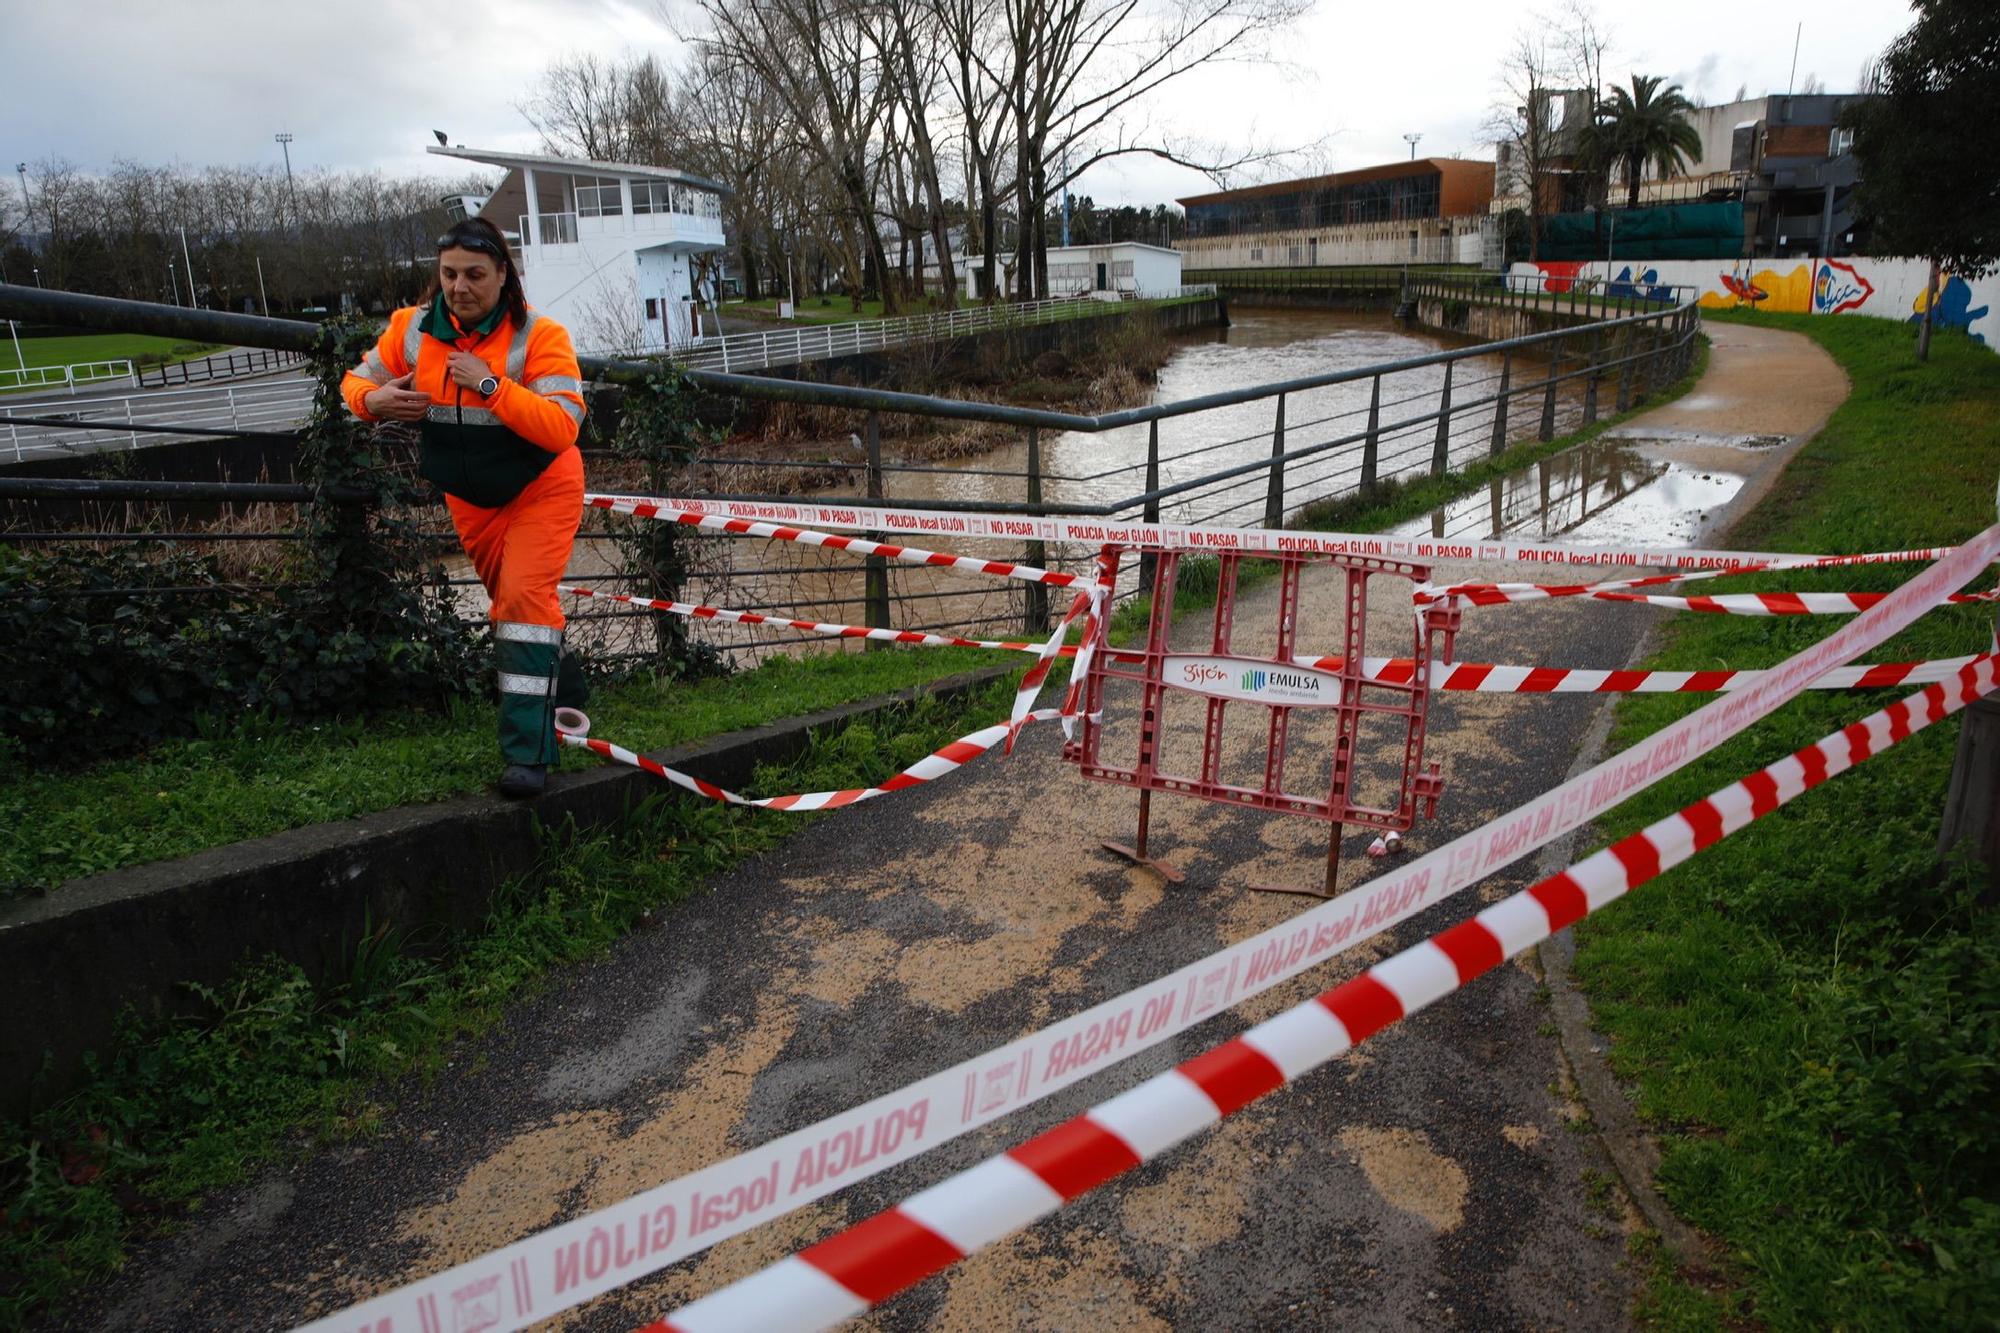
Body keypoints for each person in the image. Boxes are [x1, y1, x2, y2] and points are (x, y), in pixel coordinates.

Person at [342, 217, 589, 798]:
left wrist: (490, 386)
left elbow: (562, 427)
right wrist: (374, 401)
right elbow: (355, 380)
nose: (460, 287)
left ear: (503, 275)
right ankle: (569, 692)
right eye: (449, 274)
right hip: (472, 499)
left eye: (475, 274)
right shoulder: (410, 331)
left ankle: (528, 754)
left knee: (524, 602)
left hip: (543, 487)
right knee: (514, 607)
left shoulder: (540, 336)